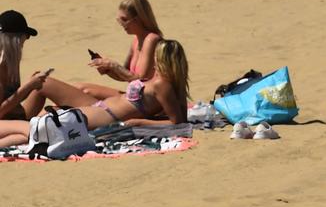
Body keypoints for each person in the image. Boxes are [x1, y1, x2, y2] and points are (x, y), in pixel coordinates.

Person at [0, 38, 190, 144]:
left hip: (104, 117)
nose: (154, 61)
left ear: (165, 60)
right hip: (99, 109)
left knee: (40, 127)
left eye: (157, 57)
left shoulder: (163, 85)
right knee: (41, 119)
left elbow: (178, 123)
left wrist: (139, 122)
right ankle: (12, 121)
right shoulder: (162, 82)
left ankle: (10, 121)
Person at [78, 0, 164, 99]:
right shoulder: (136, 39)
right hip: (136, 96)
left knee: (86, 91)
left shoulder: (152, 39)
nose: (122, 24)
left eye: (124, 20)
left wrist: (113, 65)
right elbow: (125, 76)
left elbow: (140, 80)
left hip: (148, 100)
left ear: (138, 20)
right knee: (79, 88)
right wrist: (107, 70)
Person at [0, 10, 45, 138]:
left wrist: (32, 84)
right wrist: (28, 86)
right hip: (4, 122)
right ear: (15, 39)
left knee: (57, 112)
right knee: (30, 131)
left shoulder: (9, 62)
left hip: (12, 118)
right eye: (26, 35)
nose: (26, 40)